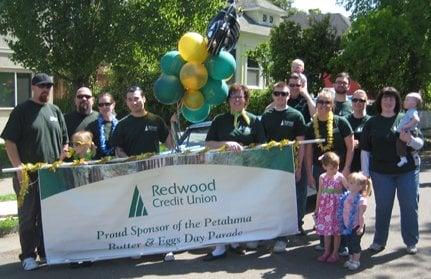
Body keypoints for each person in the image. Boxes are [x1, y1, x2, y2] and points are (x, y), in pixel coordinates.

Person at [0, 73, 68, 271]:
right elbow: (9, 141)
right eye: (41, 86)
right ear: (33, 87)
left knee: (49, 215)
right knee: (29, 216)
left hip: (51, 174)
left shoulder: (55, 110)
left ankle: (46, 251)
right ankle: (28, 255)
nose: (45, 89)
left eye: (48, 86)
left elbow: (64, 140)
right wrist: (18, 166)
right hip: (27, 175)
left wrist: (63, 154)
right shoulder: (21, 111)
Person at [204, 84, 266, 260]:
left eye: (240, 97)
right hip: (223, 173)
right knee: (221, 208)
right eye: (234, 97)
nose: (237, 100)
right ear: (228, 101)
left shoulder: (254, 120)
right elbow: (208, 144)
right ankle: (220, 246)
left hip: (247, 173)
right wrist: (225, 144)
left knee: (241, 208)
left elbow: (262, 145)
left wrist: (250, 150)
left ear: (246, 100)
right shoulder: (219, 120)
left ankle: (236, 242)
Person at [361, 87, 423, 255]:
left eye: (392, 98)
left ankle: (411, 241)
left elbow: (420, 144)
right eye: (385, 98)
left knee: (410, 206)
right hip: (381, 173)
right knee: (383, 207)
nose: (388, 102)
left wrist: (409, 139)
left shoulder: (406, 117)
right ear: (380, 101)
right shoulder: (371, 122)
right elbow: (365, 150)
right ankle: (379, 241)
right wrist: (365, 173)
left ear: (397, 102)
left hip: (407, 171)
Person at [305, 89, 353, 253]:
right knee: (324, 205)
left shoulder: (341, 122)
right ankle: (324, 241)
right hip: (321, 171)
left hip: (340, 172)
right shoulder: (311, 125)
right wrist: (310, 173)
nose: (324, 105)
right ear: (316, 103)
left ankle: (343, 243)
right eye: (320, 102)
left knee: (341, 207)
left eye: (327, 102)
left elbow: (351, 147)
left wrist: (346, 167)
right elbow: (309, 151)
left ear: (332, 105)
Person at [261, 82, 307, 251]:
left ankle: (283, 238)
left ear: (289, 96)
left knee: (288, 202)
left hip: (290, 165)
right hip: (271, 166)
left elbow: (301, 144)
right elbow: (261, 142)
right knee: (272, 201)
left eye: (284, 94)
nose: (280, 97)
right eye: (277, 93)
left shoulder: (296, 116)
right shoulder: (266, 116)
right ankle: (268, 234)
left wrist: (299, 167)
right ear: (272, 95)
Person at [111, 86, 174, 157]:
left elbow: (171, 145)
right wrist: (131, 163)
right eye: (130, 100)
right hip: (133, 167)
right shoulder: (121, 124)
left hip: (154, 166)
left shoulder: (156, 120)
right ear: (127, 102)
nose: (133, 103)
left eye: (136, 99)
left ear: (144, 99)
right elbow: (118, 150)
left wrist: (174, 124)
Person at [315, 152, 347, 263]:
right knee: (326, 232)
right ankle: (326, 252)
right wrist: (316, 208)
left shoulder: (340, 176)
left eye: (337, 167)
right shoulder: (322, 177)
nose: (335, 170)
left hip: (337, 208)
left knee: (336, 232)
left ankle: (335, 253)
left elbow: (348, 188)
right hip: (325, 209)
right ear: (324, 167)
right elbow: (319, 193)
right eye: (331, 168)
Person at [340, 172, 372, 271]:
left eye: (352, 183)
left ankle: (356, 261)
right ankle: (350, 259)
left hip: (356, 226)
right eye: (349, 182)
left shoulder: (361, 200)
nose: (348, 184)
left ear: (360, 186)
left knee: (355, 244)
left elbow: (361, 215)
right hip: (347, 225)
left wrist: (361, 227)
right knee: (349, 243)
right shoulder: (347, 195)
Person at [86, 93, 118, 159]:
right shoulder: (92, 126)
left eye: (107, 104)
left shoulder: (120, 125)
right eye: (101, 105)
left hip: (117, 163)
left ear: (113, 105)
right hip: (98, 164)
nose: (104, 107)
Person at [346, 90, 371, 172]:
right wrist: (349, 143)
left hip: (367, 164)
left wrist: (360, 144)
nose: (358, 102)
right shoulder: (344, 120)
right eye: (355, 100)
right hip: (347, 163)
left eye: (361, 100)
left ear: (366, 102)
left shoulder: (372, 121)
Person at [396, 92, 422, 167]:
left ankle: (403, 158)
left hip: (407, 131)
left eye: (407, 100)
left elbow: (416, 119)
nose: (404, 101)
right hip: (407, 131)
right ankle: (415, 156)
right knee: (409, 147)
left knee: (400, 144)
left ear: (414, 104)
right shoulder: (409, 111)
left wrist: (406, 126)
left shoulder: (412, 111)